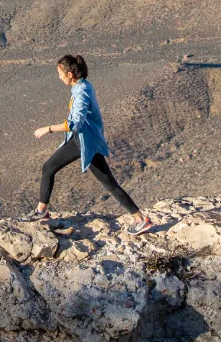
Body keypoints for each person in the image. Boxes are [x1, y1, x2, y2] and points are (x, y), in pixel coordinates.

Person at [31, 54, 154, 234]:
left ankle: (42, 211)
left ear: (70, 74)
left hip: (85, 142)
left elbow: (74, 124)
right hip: (85, 139)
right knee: (107, 183)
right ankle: (140, 219)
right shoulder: (82, 86)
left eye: (60, 74)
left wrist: (47, 129)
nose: (59, 77)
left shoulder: (81, 93)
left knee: (50, 168)